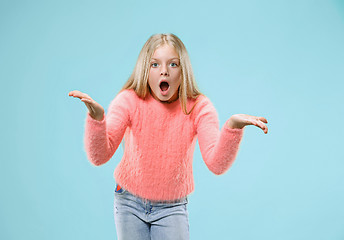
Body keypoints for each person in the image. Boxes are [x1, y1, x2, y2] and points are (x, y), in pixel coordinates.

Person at [68, 33, 268, 240]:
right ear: (145, 69)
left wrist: (233, 127)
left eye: (173, 64)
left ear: (183, 71)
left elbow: (216, 164)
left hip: (172, 207)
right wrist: (97, 118)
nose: (164, 71)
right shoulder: (128, 100)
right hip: (128, 202)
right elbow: (99, 157)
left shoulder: (199, 108)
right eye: (155, 64)